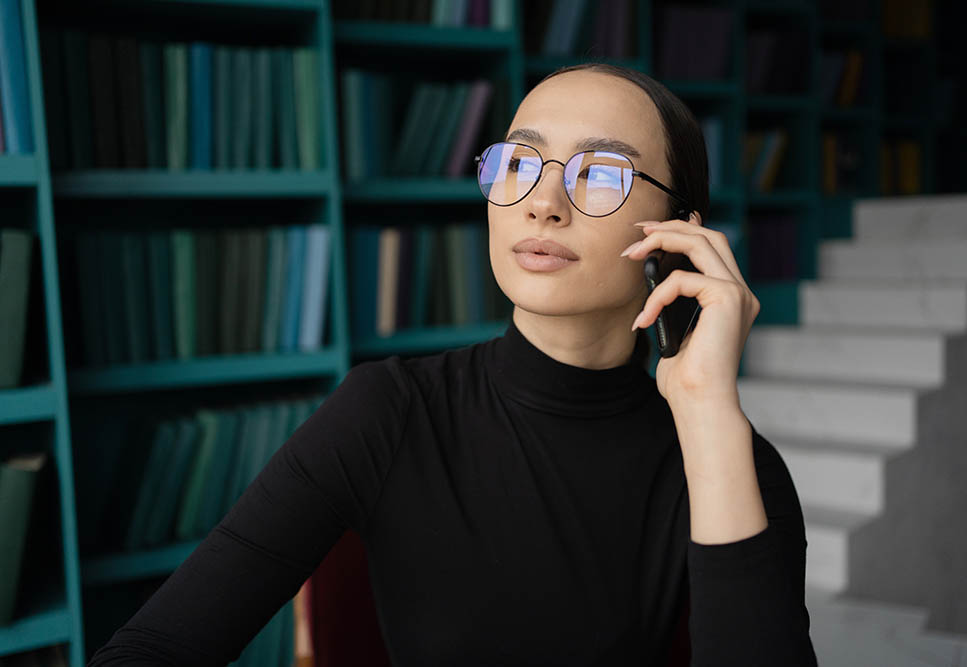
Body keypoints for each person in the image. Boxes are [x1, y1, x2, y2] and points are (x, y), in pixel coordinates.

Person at [87, 63, 818, 666]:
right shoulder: (389, 407)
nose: (544, 202)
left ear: (680, 238)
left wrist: (707, 414)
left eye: (602, 173)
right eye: (521, 163)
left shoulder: (735, 464)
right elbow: (158, 645)